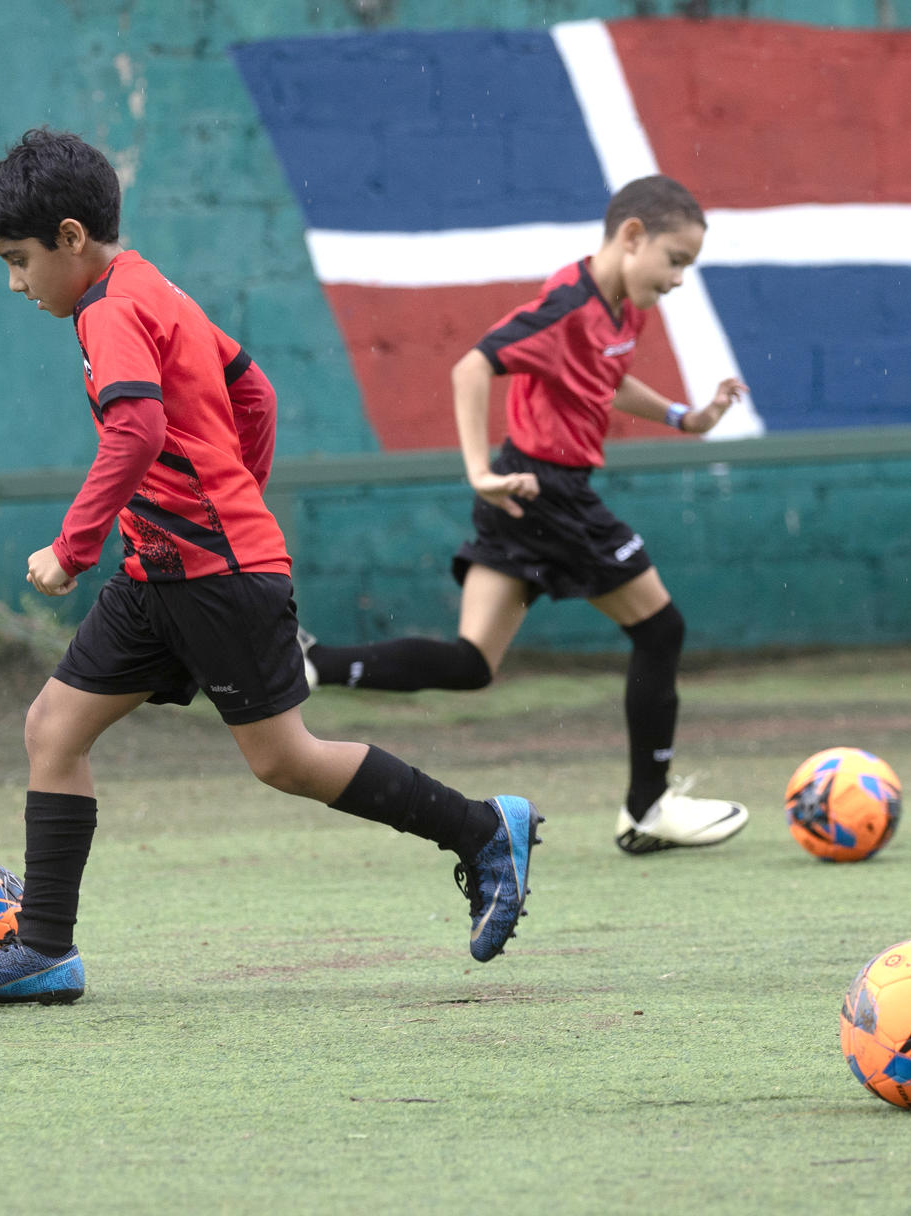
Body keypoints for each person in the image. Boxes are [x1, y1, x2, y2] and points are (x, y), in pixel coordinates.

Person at [0, 129, 541, 1005]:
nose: (15, 284)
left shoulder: (108, 308)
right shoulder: (149, 284)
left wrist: (73, 547)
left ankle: (483, 830)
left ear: (69, 237)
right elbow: (255, 391)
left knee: (285, 760)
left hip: (211, 574)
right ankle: (45, 951)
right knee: (53, 730)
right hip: (162, 570)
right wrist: (227, 496)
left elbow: (137, 429)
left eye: (19, 261)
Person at [303, 176, 752, 856]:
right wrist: (478, 472)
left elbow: (605, 376)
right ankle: (647, 809)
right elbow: (470, 367)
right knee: (661, 628)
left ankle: (312, 663)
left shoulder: (626, 304)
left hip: (531, 497)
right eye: (676, 260)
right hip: (547, 494)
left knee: (472, 662)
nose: (680, 279)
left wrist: (682, 417)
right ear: (632, 237)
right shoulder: (566, 304)